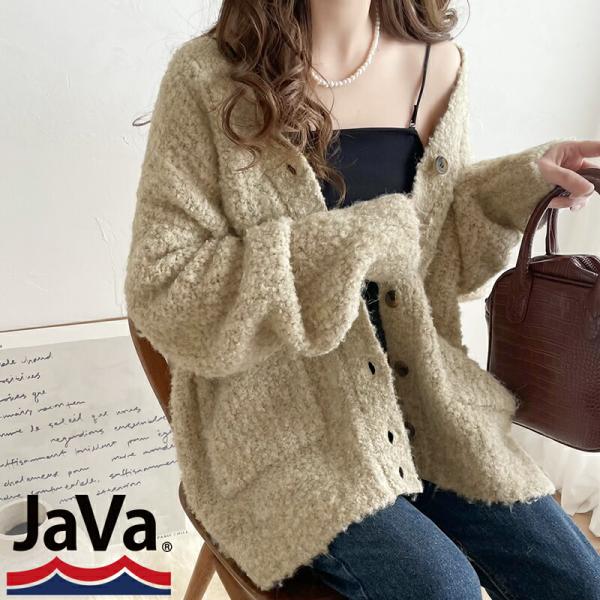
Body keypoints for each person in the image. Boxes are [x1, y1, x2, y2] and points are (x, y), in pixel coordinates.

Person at [124, 1, 600, 598]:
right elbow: (165, 287)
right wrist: (351, 239)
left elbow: (437, 260)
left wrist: (520, 184)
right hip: (279, 423)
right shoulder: (209, 76)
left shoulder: (440, 65)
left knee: (581, 581)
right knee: (442, 590)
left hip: (424, 406)